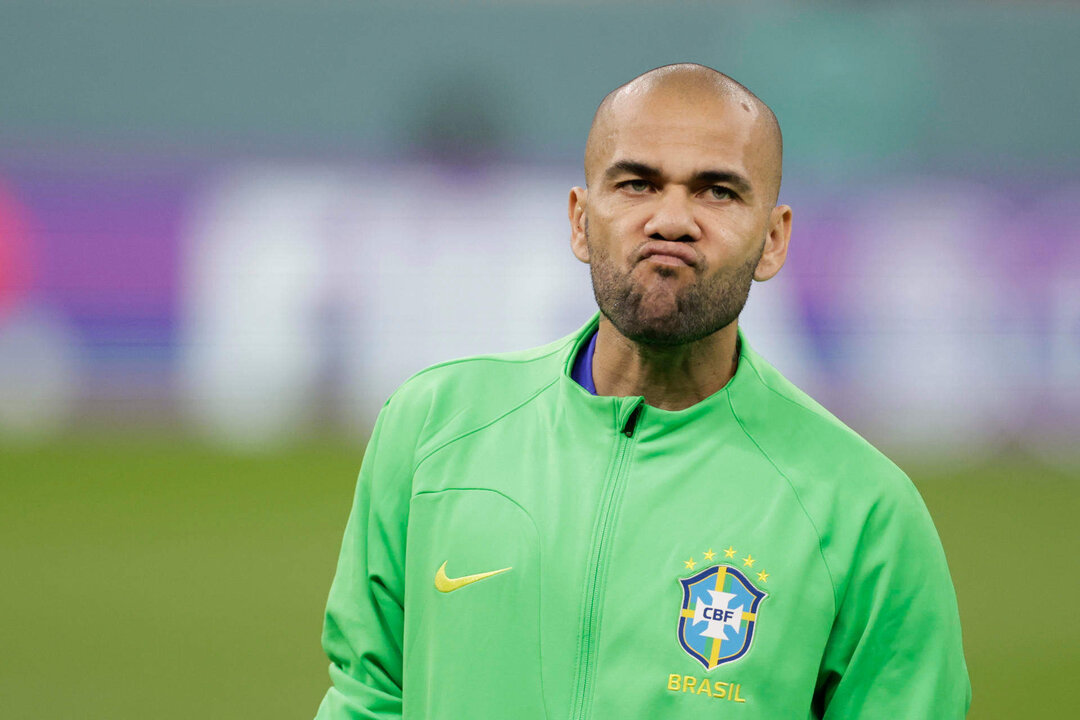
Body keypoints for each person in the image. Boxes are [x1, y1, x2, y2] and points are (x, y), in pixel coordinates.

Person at [314, 63, 970, 719]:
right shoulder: (434, 429)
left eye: (717, 191)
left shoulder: (863, 512)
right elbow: (365, 698)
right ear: (579, 221)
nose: (672, 220)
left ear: (773, 241)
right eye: (637, 184)